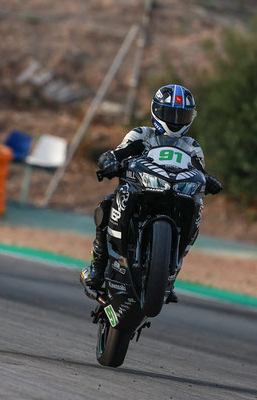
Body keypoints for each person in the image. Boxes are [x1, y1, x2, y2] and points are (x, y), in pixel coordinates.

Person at [83, 84, 222, 300]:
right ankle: (97, 267)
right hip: (141, 189)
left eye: (181, 115)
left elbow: (199, 170)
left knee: (197, 205)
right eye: (170, 114)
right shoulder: (141, 134)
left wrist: (209, 180)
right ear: (156, 110)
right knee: (107, 205)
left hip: (176, 195)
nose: (175, 120)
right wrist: (109, 161)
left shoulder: (191, 145)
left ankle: (168, 273)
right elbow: (118, 152)